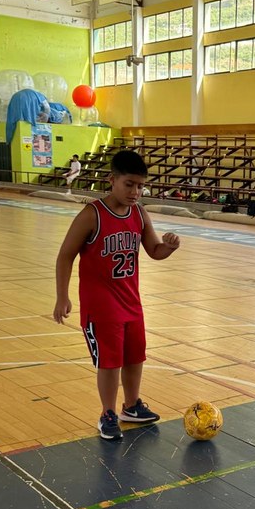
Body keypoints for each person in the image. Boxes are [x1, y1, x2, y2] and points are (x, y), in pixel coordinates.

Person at [53, 149, 180, 440]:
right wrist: (63, 296)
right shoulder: (91, 214)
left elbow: (154, 251)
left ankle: (131, 406)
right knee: (110, 362)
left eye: (140, 186)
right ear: (112, 179)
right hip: (100, 304)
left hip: (131, 301)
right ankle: (107, 413)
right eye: (129, 184)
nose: (136, 192)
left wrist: (169, 247)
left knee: (135, 356)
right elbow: (65, 256)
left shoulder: (139, 213)